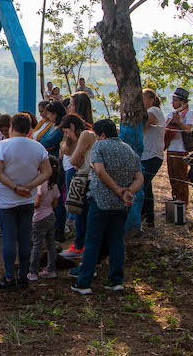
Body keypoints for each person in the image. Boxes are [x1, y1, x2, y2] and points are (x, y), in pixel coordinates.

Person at [71, 119, 144, 295]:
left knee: (93, 240)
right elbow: (139, 177)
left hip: (101, 201)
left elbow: (99, 171)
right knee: (117, 241)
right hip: (121, 204)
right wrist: (128, 192)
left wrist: (118, 189)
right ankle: (116, 280)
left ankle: (85, 281)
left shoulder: (99, 147)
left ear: (102, 135)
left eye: (96, 136)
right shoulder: (128, 149)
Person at [0, 113, 52, 290]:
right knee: (25, 238)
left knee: (9, 238)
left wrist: (15, 187)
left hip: (7, 200)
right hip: (28, 198)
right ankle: (23, 276)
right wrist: (29, 186)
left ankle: (9, 277)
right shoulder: (38, 147)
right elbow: (47, 172)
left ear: (11, 126)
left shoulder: (2, 146)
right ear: (29, 129)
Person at [59, 114, 95, 261]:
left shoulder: (86, 135)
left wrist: (73, 142)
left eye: (67, 132)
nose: (67, 135)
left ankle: (79, 246)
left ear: (73, 127)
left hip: (87, 179)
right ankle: (81, 245)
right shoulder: (90, 134)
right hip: (89, 177)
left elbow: (74, 160)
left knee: (81, 213)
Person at [28, 159, 60, 281]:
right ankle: (51, 269)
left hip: (39, 217)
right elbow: (55, 203)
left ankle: (32, 271)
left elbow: (36, 203)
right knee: (50, 244)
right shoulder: (54, 185)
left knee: (37, 244)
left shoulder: (41, 184)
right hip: (50, 215)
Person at [164, 87, 193, 206]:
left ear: (182, 102)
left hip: (181, 150)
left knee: (180, 179)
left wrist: (179, 121)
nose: (173, 103)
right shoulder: (172, 114)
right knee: (173, 179)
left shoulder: (189, 113)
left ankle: (183, 205)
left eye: (175, 100)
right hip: (171, 149)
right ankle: (175, 203)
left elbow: (188, 130)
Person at [141, 89, 165, 228]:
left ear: (151, 100)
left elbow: (142, 125)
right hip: (147, 154)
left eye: (143, 99)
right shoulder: (151, 111)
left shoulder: (154, 111)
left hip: (152, 154)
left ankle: (145, 214)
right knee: (146, 186)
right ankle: (149, 217)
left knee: (144, 184)